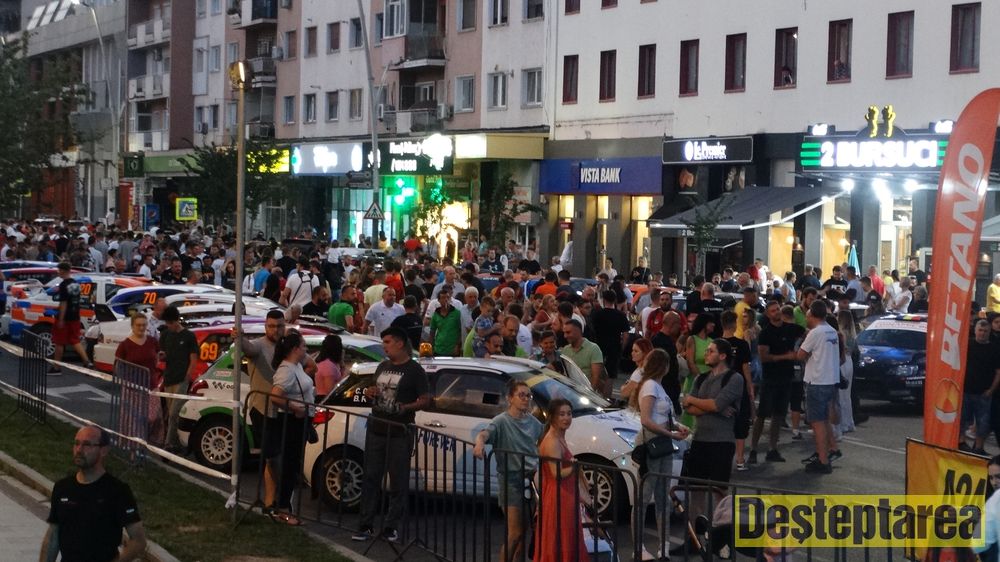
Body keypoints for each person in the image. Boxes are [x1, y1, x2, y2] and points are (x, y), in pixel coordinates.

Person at [354, 327, 431, 543]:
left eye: (388, 342)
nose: (384, 346)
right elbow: (373, 389)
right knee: (371, 478)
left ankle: (390, 526)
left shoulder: (414, 370)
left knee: (397, 481)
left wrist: (405, 407)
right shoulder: (383, 366)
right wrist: (370, 392)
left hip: (399, 432)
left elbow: (425, 399)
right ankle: (365, 524)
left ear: (400, 343)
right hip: (376, 429)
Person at [41, 426, 147, 562]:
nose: (79, 450)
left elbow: (138, 541)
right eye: (76, 443)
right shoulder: (62, 488)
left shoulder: (117, 491)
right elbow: (53, 535)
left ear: (103, 450)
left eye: (87, 445)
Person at [473, 380, 543, 562]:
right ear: (510, 398)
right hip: (511, 482)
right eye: (521, 395)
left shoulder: (533, 422)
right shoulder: (501, 421)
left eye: (528, 395)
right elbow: (484, 434)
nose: (526, 399)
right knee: (514, 533)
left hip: (531, 481)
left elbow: (546, 439)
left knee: (523, 534)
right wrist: (479, 444)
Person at [630, 349, 689, 560]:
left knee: (663, 496)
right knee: (644, 496)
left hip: (662, 443)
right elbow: (646, 420)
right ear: (663, 366)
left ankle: (663, 546)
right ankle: (638, 547)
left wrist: (677, 427)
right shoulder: (649, 386)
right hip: (652, 444)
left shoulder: (657, 386)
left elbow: (662, 417)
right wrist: (671, 433)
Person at [533, 398, 591, 562]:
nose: (566, 418)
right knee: (562, 537)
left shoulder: (558, 437)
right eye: (562, 414)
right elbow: (556, 474)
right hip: (558, 497)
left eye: (569, 413)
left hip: (564, 495)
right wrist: (574, 466)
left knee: (566, 537)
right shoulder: (552, 441)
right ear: (552, 417)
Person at [266, 330, 315, 526]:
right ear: (295, 349)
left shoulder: (296, 366)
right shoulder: (286, 370)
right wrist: (296, 408)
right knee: (289, 465)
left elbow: (312, 365)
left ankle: (284, 506)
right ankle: (283, 508)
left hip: (299, 420)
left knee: (292, 464)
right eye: (303, 346)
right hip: (292, 421)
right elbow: (275, 396)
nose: (306, 350)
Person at [748, 301, 804, 465]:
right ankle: (753, 449)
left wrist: (801, 351)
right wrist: (786, 356)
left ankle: (772, 448)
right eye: (773, 311)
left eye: (778, 309)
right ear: (768, 314)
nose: (776, 312)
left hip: (786, 378)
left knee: (779, 415)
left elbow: (808, 333)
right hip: (770, 378)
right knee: (762, 414)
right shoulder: (766, 333)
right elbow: (763, 357)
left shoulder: (790, 328)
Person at [681, 338, 744, 483]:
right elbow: (688, 408)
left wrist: (692, 399)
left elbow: (715, 405)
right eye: (706, 351)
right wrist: (717, 408)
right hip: (699, 439)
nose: (706, 354)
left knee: (718, 488)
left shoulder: (734, 378)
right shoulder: (700, 378)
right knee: (696, 487)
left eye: (711, 351)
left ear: (722, 356)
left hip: (722, 441)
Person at [796, 300, 842, 474]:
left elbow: (801, 355)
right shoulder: (831, 331)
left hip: (817, 381)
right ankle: (830, 449)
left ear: (813, 315)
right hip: (830, 380)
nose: (806, 316)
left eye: (808, 313)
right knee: (824, 420)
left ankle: (823, 460)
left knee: (817, 423)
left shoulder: (815, 333)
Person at [115, 314, 163, 445]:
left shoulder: (152, 341)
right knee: (133, 420)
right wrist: (123, 380)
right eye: (138, 325)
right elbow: (118, 365)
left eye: (144, 325)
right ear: (132, 326)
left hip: (151, 385)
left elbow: (158, 355)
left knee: (153, 417)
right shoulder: (125, 345)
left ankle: (151, 441)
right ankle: (134, 447)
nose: (141, 328)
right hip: (132, 388)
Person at [159, 305, 198, 452]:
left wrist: (188, 376)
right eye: (167, 323)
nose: (169, 326)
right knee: (171, 413)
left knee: (174, 413)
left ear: (177, 321)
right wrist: (162, 356)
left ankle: (168, 443)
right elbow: (163, 354)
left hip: (181, 379)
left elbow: (193, 358)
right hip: (169, 378)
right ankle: (175, 443)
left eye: (171, 323)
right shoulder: (165, 335)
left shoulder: (189, 336)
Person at [960, 320, 1000, 455]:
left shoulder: (994, 349)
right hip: (966, 390)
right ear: (975, 331)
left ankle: (979, 448)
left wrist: (991, 390)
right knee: (963, 419)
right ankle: (961, 443)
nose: (982, 333)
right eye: (980, 330)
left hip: (984, 393)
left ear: (989, 332)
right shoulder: (967, 345)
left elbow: (998, 372)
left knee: (983, 423)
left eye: (985, 331)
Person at [721, 311, 753, 472]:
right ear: (734, 324)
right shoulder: (742, 344)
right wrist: (750, 388)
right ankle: (740, 459)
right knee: (741, 423)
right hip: (739, 387)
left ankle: (723, 459)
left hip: (721, 387)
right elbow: (746, 368)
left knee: (722, 423)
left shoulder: (716, 344)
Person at [50, 262, 93, 374]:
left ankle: (56, 367)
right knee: (75, 340)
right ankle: (87, 361)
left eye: (59, 270)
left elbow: (64, 303)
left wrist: (61, 319)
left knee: (59, 342)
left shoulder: (63, 285)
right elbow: (75, 301)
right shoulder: (76, 284)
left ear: (63, 271)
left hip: (65, 318)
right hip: (75, 316)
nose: (58, 272)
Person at [682, 313, 716, 428]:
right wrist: (700, 378)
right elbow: (690, 361)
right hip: (694, 379)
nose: (713, 325)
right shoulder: (692, 339)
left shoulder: (712, 341)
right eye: (711, 323)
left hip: (708, 379)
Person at [591, 289, 631, 379]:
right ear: (615, 300)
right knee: (611, 375)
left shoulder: (597, 314)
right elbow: (626, 335)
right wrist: (622, 347)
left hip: (599, 346)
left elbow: (592, 330)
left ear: (604, 300)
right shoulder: (621, 315)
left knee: (596, 371)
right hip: (614, 347)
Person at [561, 319, 605, 395]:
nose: (565, 336)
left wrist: (590, 395)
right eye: (564, 333)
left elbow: (596, 377)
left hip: (586, 392)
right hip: (569, 391)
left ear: (578, 331)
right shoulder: (565, 350)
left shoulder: (593, 349)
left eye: (568, 332)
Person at [835, 310, 857, 437]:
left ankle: (843, 424)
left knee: (841, 394)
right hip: (850, 361)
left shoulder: (841, 333)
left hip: (843, 361)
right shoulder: (852, 334)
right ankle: (849, 422)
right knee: (847, 394)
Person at [429, 287, 462, 356]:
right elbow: (432, 332)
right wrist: (431, 347)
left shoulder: (457, 313)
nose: (446, 299)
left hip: (452, 350)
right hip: (438, 349)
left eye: (448, 297)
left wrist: (458, 345)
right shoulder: (436, 314)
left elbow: (460, 331)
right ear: (439, 300)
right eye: (443, 298)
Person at [620, 337, 653, 402]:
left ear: (645, 353)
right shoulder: (646, 369)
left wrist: (623, 386)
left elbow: (625, 393)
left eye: (636, 351)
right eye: (632, 350)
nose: (632, 353)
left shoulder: (640, 372)